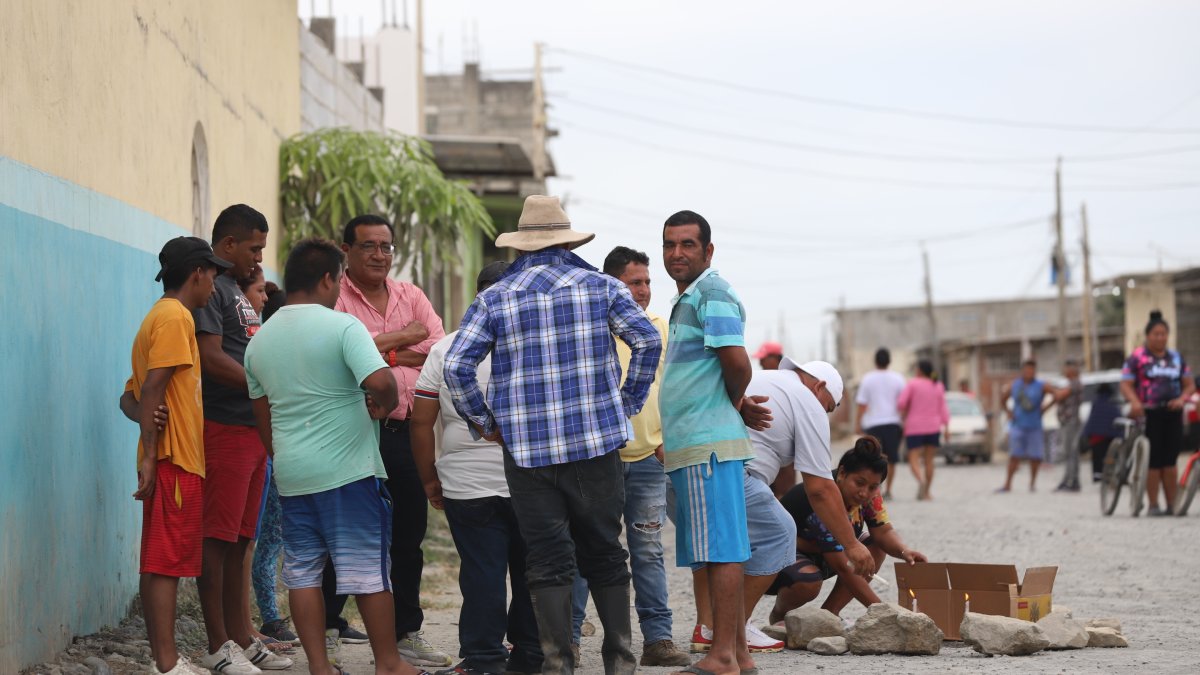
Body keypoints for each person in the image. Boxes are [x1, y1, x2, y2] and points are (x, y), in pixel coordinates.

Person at [444, 195, 662, 675]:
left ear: (520, 246)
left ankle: (558, 664)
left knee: (546, 559)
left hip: (528, 455)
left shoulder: (495, 297)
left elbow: (457, 366)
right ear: (567, 243)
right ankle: (620, 663)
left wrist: (486, 423)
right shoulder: (603, 287)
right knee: (605, 552)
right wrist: (625, 404)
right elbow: (647, 340)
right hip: (596, 446)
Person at [244, 238, 428, 675]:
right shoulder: (344, 327)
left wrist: (285, 456)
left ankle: (319, 667)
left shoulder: (259, 341)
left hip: (293, 474)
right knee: (367, 572)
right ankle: (388, 662)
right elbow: (382, 381)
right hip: (347, 472)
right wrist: (381, 404)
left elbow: (263, 418)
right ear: (329, 279)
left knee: (303, 573)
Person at [658, 209, 782, 675]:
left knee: (722, 551)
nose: (677, 253)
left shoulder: (712, 292)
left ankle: (723, 656)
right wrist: (731, 404)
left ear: (708, 251)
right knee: (714, 551)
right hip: (697, 445)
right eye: (670, 244)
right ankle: (740, 655)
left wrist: (730, 403)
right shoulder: (689, 297)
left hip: (707, 445)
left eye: (687, 244)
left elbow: (738, 364)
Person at [409, 261, 544, 675]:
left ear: (477, 296)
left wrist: (429, 478)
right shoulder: (536, 346)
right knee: (531, 572)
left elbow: (420, 421)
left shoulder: (446, 348)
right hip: (531, 481)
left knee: (483, 570)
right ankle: (530, 655)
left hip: (466, 485)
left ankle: (484, 659)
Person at [328, 214, 449, 666]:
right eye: (369, 246)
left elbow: (438, 350)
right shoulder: (335, 298)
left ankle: (405, 631)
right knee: (345, 533)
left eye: (386, 246)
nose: (380, 255)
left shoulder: (411, 294)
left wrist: (381, 350)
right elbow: (337, 355)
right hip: (354, 432)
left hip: (405, 433)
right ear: (346, 250)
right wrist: (403, 338)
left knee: (408, 535)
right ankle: (329, 627)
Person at [688, 359, 875, 653]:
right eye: (828, 407)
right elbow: (820, 487)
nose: (824, 414)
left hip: (685, 466)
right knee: (779, 532)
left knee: (711, 546)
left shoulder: (764, 379)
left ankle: (706, 628)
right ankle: (734, 630)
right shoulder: (807, 401)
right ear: (819, 387)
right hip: (730, 471)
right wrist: (852, 544)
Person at [567, 247, 691, 667]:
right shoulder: (592, 326)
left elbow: (673, 388)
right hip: (597, 459)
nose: (643, 290)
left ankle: (658, 639)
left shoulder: (659, 328)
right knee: (587, 548)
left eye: (647, 282)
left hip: (648, 461)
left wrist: (668, 437)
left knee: (648, 550)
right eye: (634, 282)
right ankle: (570, 639)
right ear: (612, 286)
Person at [118, 237, 229, 675]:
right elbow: (149, 388)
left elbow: (130, 399)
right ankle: (166, 663)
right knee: (164, 564)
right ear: (197, 272)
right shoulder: (175, 317)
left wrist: (148, 414)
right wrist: (151, 454)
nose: (214, 286)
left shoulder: (159, 316)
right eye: (213, 275)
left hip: (172, 457)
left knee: (162, 559)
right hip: (173, 459)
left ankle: (165, 659)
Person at [193, 204, 291, 673]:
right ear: (228, 244)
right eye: (254, 249)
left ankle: (241, 635)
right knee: (217, 540)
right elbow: (211, 357)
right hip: (225, 429)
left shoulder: (237, 290)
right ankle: (217, 645)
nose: (259, 259)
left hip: (252, 430)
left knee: (241, 541)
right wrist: (263, 386)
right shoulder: (212, 289)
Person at [769, 437, 927, 621]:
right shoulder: (822, 497)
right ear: (842, 473)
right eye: (859, 483)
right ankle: (779, 617)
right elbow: (843, 567)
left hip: (826, 554)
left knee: (874, 547)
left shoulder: (870, 495)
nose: (864, 492)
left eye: (873, 487)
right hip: (778, 562)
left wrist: (904, 551)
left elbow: (883, 531)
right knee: (808, 582)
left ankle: (830, 614)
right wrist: (886, 614)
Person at [1120, 310, 1195, 515]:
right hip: (1149, 413)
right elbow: (1126, 384)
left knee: (1170, 460)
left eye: (1163, 334)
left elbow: (1189, 384)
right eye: (1156, 334)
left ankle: (1172, 504)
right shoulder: (1137, 357)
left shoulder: (1176, 357)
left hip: (1173, 412)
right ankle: (1153, 504)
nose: (1160, 337)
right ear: (1148, 335)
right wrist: (1135, 402)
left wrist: (1182, 399)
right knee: (1154, 460)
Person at [854, 347, 906, 500]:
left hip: (873, 424)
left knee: (872, 459)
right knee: (891, 459)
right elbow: (903, 404)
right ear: (889, 361)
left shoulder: (867, 379)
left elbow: (862, 404)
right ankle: (888, 490)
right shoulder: (898, 379)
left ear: (875, 361)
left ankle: (874, 490)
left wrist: (858, 423)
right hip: (893, 423)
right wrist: (904, 421)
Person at [999, 359, 1055, 493]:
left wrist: (1045, 408)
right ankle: (1008, 484)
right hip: (1018, 425)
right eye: (1027, 369)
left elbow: (1056, 395)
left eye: (1032, 370)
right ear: (1022, 371)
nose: (1029, 372)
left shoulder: (1041, 385)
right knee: (1014, 455)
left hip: (1035, 426)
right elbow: (1003, 398)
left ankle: (1032, 483)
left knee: (1035, 456)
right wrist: (1008, 412)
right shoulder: (1015, 385)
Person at [897, 360, 948, 500]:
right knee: (929, 461)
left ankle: (921, 481)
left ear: (919, 370)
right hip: (933, 427)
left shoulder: (912, 384)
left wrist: (905, 411)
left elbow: (901, 403)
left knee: (913, 459)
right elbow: (943, 407)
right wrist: (946, 427)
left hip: (914, 427)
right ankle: (927, 492)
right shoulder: (938, 385)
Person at [1054, 359, 1085, 492]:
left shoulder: (1075, 383)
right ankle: (1070, 480)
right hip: (1069, 422)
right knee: (1071, 453)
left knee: (1070, 453)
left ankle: (1071, 481)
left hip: (1071, 422)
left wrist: (1051, 389)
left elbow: (1059, 396)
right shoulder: (1073, 383)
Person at [1083, 382, 1122, 482]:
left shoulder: (1096, 403)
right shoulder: (1114, 404)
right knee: (1111, 456)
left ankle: (1098, 474)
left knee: (1097, 456)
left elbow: (1092, 420)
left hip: (1097, 436)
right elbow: (1118, 419)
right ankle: (1110, 474)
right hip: (1111, 436)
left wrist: (1086, 433)